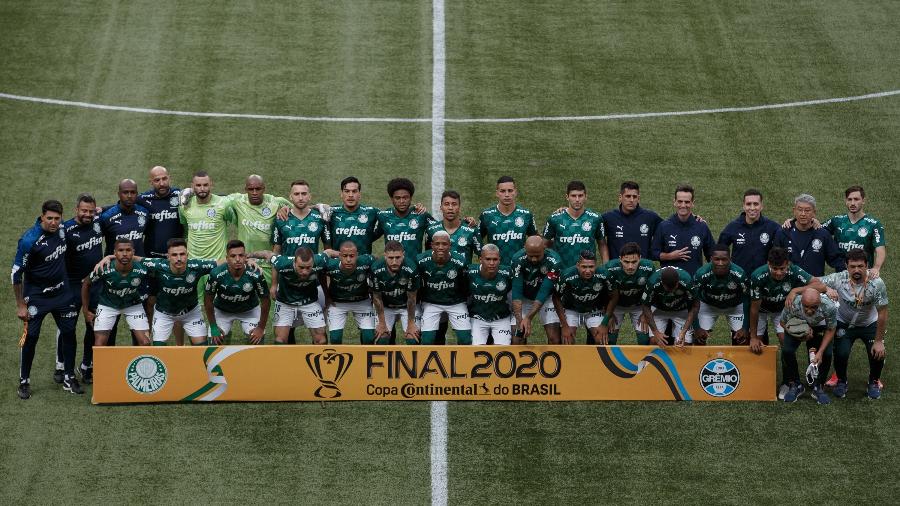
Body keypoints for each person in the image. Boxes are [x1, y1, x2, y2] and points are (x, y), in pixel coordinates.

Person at [13, 200, 82, 398]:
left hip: (62, 294)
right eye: (49, 218)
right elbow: (16, 275)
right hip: (37, 298)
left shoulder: (62, 230)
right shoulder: (29, 240)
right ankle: (24, 381)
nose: (53, 222)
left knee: (69, 333)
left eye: (57, 218)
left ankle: (69, 377)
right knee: (31, 337)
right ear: (42, 216)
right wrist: (20, 305)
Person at [817, 249, 888, 399]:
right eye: (853, 266)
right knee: (841, 353)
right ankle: (842, 381)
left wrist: (879, 340)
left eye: (860, 266)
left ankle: (873, 381)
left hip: (869, 324)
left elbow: (882, 312)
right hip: (844, 323)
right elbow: (814, 281)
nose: (857, 270)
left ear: (867, 265)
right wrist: (826, 288)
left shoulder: (877, 283)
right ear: (846, 266)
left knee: (877, 353)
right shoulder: (838, 278)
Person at [271, 179, 330, 344]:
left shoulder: (320, 219)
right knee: (287, 332)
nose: (300, 197)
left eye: (304, 194)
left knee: (320, 333)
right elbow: (276, 253)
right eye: (296, 194)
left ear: (310, 196)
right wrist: (274, 284)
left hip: (313, 284)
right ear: (290, 197)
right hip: (287, 284)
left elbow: (327, 252)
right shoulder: (281, 218)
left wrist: (328, 287)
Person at [59, 193, 103, 384]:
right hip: (71, 286)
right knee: (67, 328)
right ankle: (61, 366)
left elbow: (113, 208)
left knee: (93, 326)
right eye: (84, 210)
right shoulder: (65, 230)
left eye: (91, 211)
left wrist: (102, 209)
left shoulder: (98, 222)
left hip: (94, 285)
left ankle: (86, 365)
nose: (88, 214)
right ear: (76, 209)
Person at [140, 238, 218, 346]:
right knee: (158, 349)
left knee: (201, 348)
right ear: (168, 256)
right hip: (164, 314)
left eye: (182, 254)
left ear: (188, 254)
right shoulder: (157, 265)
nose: (179, 258)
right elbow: (134, 259)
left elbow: (220, 263)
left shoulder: (196, 266)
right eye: (174, 255)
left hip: (191, 313)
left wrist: (247, 260)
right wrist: (111, 257)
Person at [250, 247, 330, 345]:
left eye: (308, 267)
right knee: (280, 340)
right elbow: (266, 253)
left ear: (313, 263)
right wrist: (247, 256)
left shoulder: (319, 260)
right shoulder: (282, 263)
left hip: (309, 301)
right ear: (294, 262)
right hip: (285, 302)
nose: (305, 272)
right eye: (301, 267)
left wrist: (353, 258)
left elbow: (329, 252)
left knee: (321, 340)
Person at [83, 239, 151, 347]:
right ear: (114, 253)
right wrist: (85, 310)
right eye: (121, 250)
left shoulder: (142, 268)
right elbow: (86, 283)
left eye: (128, 250)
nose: (124, 254)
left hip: (133, 305)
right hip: (107, 305)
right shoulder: (104, 268)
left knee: (145, 342)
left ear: (133, 252)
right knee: (99, 345)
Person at [229, 174, 291, 289]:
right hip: (245, 262)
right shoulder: (237, 201)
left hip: (269, 264)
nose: (254, 192)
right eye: (250, 189)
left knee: (269, 300)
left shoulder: (277, 203)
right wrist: (191, 191)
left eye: (258, 189)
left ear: (264, 189)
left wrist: (318, 206)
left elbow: (301, 210)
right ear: (245, 189)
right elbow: (213, 199)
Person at [204, 240, 269, 345]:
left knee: (257, 340)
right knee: (214, 341)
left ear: (245, 257)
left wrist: (261, 328)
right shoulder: (216, 274)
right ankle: (226, 334)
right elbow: (208, 301)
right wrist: (213, 327)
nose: (237, 259)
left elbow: (265, 301)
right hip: (222, 311)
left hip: (249, 310)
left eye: (241, 255)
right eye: (233, 256)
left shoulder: (255, 274)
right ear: (227, 259)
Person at [779, 288, 837, 404]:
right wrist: (798, 333)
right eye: (806, 306)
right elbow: (783, 322)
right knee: (787, 351)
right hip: (797, 325)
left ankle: (818, 386)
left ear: (820, 303)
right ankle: (795, 384)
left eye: (814, 307)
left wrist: (820, 352)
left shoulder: (829, 306)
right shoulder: (793, 302)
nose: (809, 310)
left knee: (827, 353)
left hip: (819, 326)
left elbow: (831, 329)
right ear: (801, 302)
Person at [416, 231, 471, 345]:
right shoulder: (420, 260)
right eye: (437, 244)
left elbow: (466, 287)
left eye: (444, 244)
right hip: (431, 303)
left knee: (465, 340)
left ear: (450, 245)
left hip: (456, 303)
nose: (440, 247)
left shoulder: (460, 262)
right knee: (427, 340)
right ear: (432, 245)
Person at [823, 185, 886, 278]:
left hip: (864, 276)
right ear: (846, 201)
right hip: (841, 275)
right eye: (849, 199)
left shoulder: (873, 224)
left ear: (863, 200)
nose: (852, 203)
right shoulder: (836, 221)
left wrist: (876, 268)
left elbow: (880, 249)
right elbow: (816, 229)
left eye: (856, 199)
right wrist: (793, 221)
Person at [691, 245, 749, 345]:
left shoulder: (739, 274)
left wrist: (745, 327)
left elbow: (747, 300)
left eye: (724, 260)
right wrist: (696, 328)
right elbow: (693, 300)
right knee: (698, 338)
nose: (720, 263)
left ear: (730, 259)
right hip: (708, 305)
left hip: (735, 306)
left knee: (742, 339)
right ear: (711, 259)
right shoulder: (701, 274)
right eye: (717, 259)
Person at [775, 194, 845, 276]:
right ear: (794, 211)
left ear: (814, 212)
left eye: (807, 210)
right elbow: (775, 261)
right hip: (790, 285)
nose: (803, 214)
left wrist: (845, 278)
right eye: (800, 210)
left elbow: (836, 260)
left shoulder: (822, 234)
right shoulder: (783, 233)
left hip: (814, 286)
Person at [652, 184, 714, 276]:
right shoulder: (664, 226)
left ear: (693, 203)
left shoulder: (701, 227)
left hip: (693, 283)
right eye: (680, 201)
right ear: (675, 202)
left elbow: (712, 256)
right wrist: (670, 256)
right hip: (670, 284)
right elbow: (653, 253)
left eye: (687, 202)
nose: (683, 205)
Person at [511, 236, 564, 344]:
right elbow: (516, 293)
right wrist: (520, 320)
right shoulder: (517, 259)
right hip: (524, 298)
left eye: (537, 256)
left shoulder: (555, 261)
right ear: (525, 249)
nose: (534, 259)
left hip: (546, 298)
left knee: (555, 339)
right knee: (517, 338)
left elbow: (543, 292)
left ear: (544, 248)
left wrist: (529, 317)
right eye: (531, 256)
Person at [543, 180, 608, 267]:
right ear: (567, 197)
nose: (577, 200)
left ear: (586, 196)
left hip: (587, 273)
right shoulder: (555, 219)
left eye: (580, 196)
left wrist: (606, 267)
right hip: (561, 272)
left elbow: (602, 244)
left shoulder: (595, 218)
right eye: (573, 196)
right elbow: (544, 244)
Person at [322, 241, 377, 344]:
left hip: (362, 301)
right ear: (339, 256)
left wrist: (373, 288)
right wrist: (327, 296)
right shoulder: (330, 265)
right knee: (335, 339)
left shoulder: (366, 261)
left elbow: (379, 265)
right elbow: (320, 275)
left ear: (357, 256)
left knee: (369, 338)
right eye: (345, 256)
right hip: (337, 303)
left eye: (352, 256)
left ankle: (364, 359)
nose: (348, 260)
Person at [552, 250, 611, 345]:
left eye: (591, 267)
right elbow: (556, 298)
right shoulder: (566, 276)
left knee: (601, 340)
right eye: (584, 267)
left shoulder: (604, 274)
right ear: (578, 265)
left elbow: (613, 296)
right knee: (567, 341)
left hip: (594, 309)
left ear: (596, 265)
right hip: (571, 309)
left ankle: (593, 360)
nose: (588, 271)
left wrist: (605, 321)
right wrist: (564, 325)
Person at [602, 242, 656, 345]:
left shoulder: (648, 268)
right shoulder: (610, 268)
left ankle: (643, 360)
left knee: (644, 337)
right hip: (616, 306)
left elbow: (653, 292)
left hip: (640, 305)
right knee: (609, 337)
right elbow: (602, 293)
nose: (630, 266)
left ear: (640, 258)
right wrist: (608, 314)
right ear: (620, 259)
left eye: (634, 262)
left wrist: (646, 313)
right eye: (626, 262)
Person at [478, 176, 537, 267]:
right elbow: (476, 240)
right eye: (502, 191)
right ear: (497, 193)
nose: (507, 195)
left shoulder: (526, 215)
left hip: (520, 268)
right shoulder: (487, 215)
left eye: (510, 191)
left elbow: (536, 240)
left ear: (515, 192)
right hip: (496, 271)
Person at [718, 189, 780, 273]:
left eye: (756, 204)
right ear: (743, 206)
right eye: (748, 204)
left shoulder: (772, 227)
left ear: (761, 206)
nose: (752, 208)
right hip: (739, 279)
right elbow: (719, 250)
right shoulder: (733, 226)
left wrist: (792, 221)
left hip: (763, 279)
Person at [369, 241, 420, 345]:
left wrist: (411, 324)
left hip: (406, 307)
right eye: (390, 258)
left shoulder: (411, 269)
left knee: (413, 338)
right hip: (386, 307)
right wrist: (382, 323)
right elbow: (377, 298)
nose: (394, 261)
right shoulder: (375, 269)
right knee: (381, 337)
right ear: (385, 256)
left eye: (398, 257)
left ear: (403, 255)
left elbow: (412, 299)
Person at [602, 181, 663, 259]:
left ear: (638, 198)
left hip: (642, 269)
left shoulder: (650, 217)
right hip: (617, 269)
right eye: (628, 196)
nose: (631, 200)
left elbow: (665, 233)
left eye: (634, 197)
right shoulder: (608, 218)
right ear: (620, 197)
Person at [467, 244, 514, 345]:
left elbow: (515, 296)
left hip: (501, 318)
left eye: (495, 259)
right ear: (480, 259)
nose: (491, 263)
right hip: (477, 318)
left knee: (503, 350)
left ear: (499, 260)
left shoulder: (508, 273)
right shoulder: (469, 272)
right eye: (488, 259)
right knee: (476, 349)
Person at [377, 178, 435, 259]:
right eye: (397, 198)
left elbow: (439, 232)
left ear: (411, 198)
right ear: (392, 199)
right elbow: (369, 236)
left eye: (405, 197)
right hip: (392, 266)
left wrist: (428, 253)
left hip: (415, 268)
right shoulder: (384, 216)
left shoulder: (421, 215)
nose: (402, 201)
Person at [641, 266, 697, 347]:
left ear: (678, 282)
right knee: (655, 341)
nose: (671, 292)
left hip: (681, 310)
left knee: (685, 344)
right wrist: (655, 332)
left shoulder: (687, 280)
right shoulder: (653, 281)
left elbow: (695, 305)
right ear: (662, 283)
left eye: (674, 288)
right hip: (660, 310)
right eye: (668, 289)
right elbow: (645, 305)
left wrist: (684, 331)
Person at [329, 176, 381, 255]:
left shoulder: (371, 212)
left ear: (359, 194)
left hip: (363, 264)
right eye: (347, 191)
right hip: (338, 264)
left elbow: (389, 218)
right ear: (341, 194)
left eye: (354, 191)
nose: (350, 195)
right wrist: (316, 206)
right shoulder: (331, 211)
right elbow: (307, 210)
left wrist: (369, 238)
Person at [140, 166, 184, 258]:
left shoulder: (180, 196)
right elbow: (126, 203)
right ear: (151, 182)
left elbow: (202, 197)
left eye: (164, 179)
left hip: (176, 257)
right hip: (151, 257)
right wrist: (103, 209)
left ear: (169, 178)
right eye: (157, 180)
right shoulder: (144, 199)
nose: (162, 183)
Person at [425, 190, 481, 262]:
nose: (450, 208)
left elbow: (482, 257)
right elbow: (428, 256)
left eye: (454, 204)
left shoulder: (471, 230)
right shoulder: (431, 230)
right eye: (446, 204)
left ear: (459, 207)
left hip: (464, 273)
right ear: (441, 207)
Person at [99, 179, 150, 256]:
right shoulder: (106, 217)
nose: (129, 196)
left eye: (133, 192)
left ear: (137, 194)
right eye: (125, 192)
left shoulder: (144, 213)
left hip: (138, 264)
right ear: (119, 194)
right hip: (115, 265)